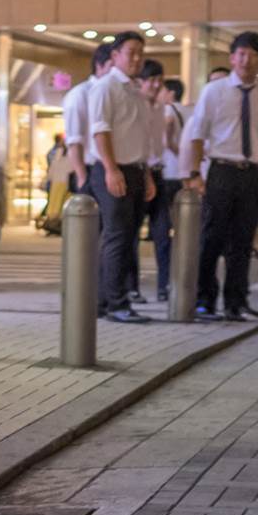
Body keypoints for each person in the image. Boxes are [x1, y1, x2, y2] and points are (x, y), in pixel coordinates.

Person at [181, 31, 258, 323]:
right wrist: (195, 174)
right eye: (241, 54)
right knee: (211, 238)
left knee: (242, 241)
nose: (246, 60)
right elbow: (197, 134)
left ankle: (236, 301)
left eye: (252, 55)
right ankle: (204, 299)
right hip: (221, 170)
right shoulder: (215, 91)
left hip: (251, 174)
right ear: (232, 58)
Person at [89, 31, 155, 324]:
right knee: (116, 238)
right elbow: (100, 130)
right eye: (131, 52)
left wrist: (147, 175)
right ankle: (116, 302)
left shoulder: (136, 91)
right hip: (112, 169)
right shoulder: (106, 87)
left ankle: (105, 301)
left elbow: (141, 138)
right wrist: (111, 169)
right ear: (115, 56)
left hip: (136, 170)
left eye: (141, 52)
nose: (137, 58)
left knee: (127, 238)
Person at [128, 59, 165, 303]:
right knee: (129, 234)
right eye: (150, 80)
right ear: (140, 82)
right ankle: (130, 287)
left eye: (159, 81)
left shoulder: (161, 108)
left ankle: (166, 286)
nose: (155, 85)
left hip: (159, 174)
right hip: (139, 172)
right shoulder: (134, 106)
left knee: (163, 234)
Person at [153, 77, 189, 302]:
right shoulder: (187, 111)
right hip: (182, 177)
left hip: (167, 174)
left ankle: (164, 284)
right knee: (183, 233)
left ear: (171, 93)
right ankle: (180, 282)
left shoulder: (167, 109)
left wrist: (172, 147)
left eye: (163, 90)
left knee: (162, 233)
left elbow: (166, 128)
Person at [63, 43, 114, 194]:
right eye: (112, 66)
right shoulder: (80, 94)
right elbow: (74, 141)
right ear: (99, 65)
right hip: (91, 169)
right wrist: (82, 178)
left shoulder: (115, 93)